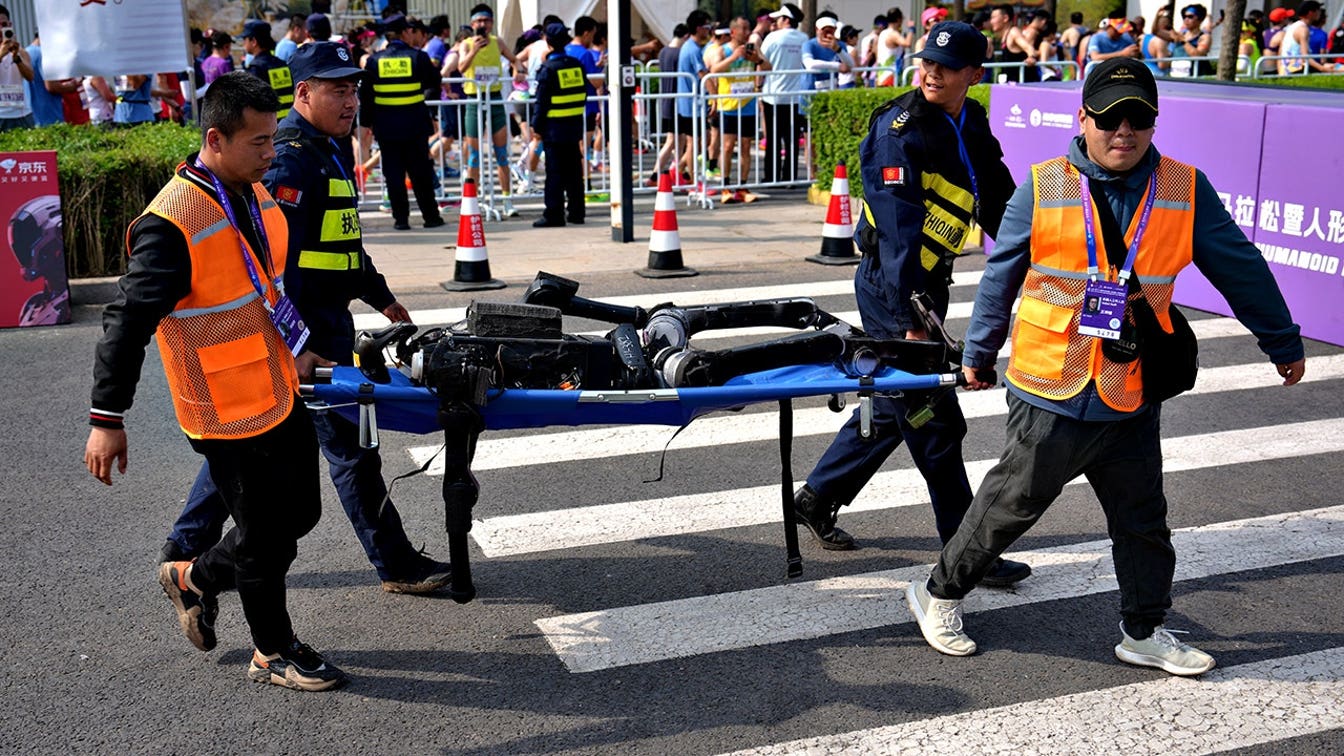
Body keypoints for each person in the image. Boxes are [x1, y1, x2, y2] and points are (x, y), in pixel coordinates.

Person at [906, 58, 1307, 676]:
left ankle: (1144, 630)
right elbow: (999, 280)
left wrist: (1281, 340)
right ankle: (938, 593)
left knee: (1143, 520)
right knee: (1013, 502)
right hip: (1051, 386)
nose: (1124, 131)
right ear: (1084, 117)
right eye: (1111, 117)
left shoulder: (1183, 188)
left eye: (1139, 119)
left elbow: (1241, 267)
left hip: (1130, 387)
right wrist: (979, 354)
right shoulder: (1042, 185)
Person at [85, 71, 347, 692]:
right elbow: (125, 323)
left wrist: (300, 350)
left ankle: (193, 577)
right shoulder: (170, 222)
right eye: (258, 141)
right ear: (215, 138)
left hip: (276, 386)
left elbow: (262, 289)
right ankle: (273, 649)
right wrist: (106, 419)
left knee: (300, 515)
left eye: (273, 138)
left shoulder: (251, 191)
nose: (271, 151)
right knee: (263, 535)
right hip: (220, 405)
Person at [161, 42, 453, 598]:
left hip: (326, 325)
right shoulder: (290, 155)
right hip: (304, 335)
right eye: (337, 89)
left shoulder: (327, 148)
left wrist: (381, 296)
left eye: (354, 89)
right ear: (303, 93)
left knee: (256, 448)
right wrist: (286, 341)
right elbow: (267, 260)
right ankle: (393, 563)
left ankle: (181, 551)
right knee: (348, 450)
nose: (351, 100)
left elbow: (340, 239)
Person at [794, 21, 1030, 589]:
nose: (931, 71)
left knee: (898, 405)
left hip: (931, 286)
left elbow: (997, 196)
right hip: (891, 290)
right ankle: (968, 549)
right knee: (934, 420)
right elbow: (898, 233)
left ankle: (818, 495)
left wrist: (1040, 262)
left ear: (974, 76)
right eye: (927, 61)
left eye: (947, 67)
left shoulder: (971, 120)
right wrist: (908, 321)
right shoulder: (897, 132)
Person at [361, 13, 446, 230]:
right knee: (421, 173)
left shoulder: (373, 62)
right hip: (415, 126)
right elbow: (434, 81)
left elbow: (367, 98)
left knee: (393, 175)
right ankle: (431, 217)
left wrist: (367, 124)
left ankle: (401, 220)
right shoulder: (418, 57)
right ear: (405, 32)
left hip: (386, 128)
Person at [456, 4, 522, 217]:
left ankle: (506, 199)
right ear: (472, 24)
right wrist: (475, 50)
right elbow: (461, 68)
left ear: (491, 23)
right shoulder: (465, 44)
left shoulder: (498, 42)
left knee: (501, 153)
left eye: (486, 21)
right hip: (474, 99)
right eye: (479, 21)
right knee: (474, 156)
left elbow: (516, 60)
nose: (483, 25)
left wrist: (517, 71)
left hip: (494, 99)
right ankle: (472, 203)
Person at [529, 23, 586, 227]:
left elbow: (541, 102)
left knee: (554, 173)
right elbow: (583, 94)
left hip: (554, 130)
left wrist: (536, 126)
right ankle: (577, 213)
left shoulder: (548, 69)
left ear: (548, 42)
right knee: (574, 173)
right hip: (574, 127)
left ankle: (554, 214)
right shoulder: (576, 65)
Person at [708, 16, 769, 204]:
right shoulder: (722, 50)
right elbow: (714, 70)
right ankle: (725, 187)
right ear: (733, 32)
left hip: (748, 105)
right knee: (727, 147)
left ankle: (742, 187)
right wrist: (734, 57)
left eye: (748, 28)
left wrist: (756, 59)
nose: (747, 31)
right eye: (743, 28)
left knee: (745, 147)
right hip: (729, 105)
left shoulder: (753, 48)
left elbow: (768, 67)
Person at [759, 3, 808, 184]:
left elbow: (761, 62)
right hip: (796, 96)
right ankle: (790, 176)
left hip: (773, 95)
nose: (777, 22)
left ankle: (772, 176)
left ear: (786, 20)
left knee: (773, 139)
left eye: (779, 18)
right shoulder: (804, 38)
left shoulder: (773, 37)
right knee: (792, 139)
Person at [241, 20, 294, 119]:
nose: (243, 43)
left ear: (253, 42)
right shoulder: (282, 64)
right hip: (288, 122)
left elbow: (253, 105)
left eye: (245, 39)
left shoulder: (256, 68)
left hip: (270, 127)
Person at [0, 5, 34, 132]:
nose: (1, 29)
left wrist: (17, 58)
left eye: (4, 24)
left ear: (10, 24)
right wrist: (1, 54)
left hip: (21, 113)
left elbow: (30, 77)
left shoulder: (21, 51)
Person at [1171, 4, 1213, 77]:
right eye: (1184, 17)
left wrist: (1183, 41)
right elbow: (1157, 32)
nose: (1186, 19)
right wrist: (1159, 16)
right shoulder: (1181, 34)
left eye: (1190, 17)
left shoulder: (1205, 37)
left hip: (1196, 76)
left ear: (1200, 19)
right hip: (1177, 75)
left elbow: (1197, 55)